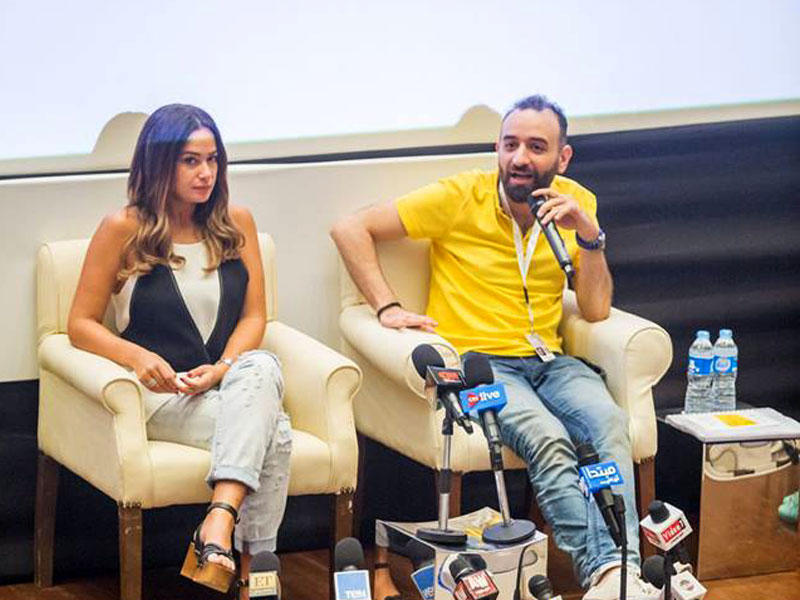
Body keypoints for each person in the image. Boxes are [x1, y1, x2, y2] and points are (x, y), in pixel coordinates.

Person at [331, 95, 657, 600]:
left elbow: (594, 310)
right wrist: (387, 306)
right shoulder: (461, 196)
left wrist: (590, 236)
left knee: (608, 425)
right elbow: (349, 228)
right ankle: (608, 575)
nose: (519, 158)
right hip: (482, 367)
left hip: (550, 363)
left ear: (563, 157)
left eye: (535, 147)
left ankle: (621, 573)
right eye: (510, 145)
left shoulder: (577, 202)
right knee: (547, 438)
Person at [68, 104, 291, 599]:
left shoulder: (236, 222)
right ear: (159, 164)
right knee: (274, 432)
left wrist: (222, 369)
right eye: (190, 161)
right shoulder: (123, 228)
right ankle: (256, 578)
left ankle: (218, 526)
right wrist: (136, 357)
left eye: (213, 160)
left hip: (226, 386)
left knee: (261, 362)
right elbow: (79, 325)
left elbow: (255, 317)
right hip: (163, 397)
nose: (205, 172)